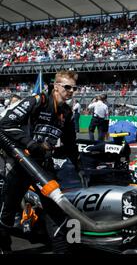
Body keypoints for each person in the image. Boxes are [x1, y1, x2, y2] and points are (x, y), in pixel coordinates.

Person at [0, 70, 79, 253]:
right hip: (20, 164)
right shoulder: (37, 100)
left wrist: (77, 166)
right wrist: (31, 144)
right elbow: (4, 125)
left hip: (42, 168)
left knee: (57, 211)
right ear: (56, 86)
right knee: (6, 213)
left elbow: (71, 144)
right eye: (67, 87)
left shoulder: (67, 113)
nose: (71, 91)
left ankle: (64, 251)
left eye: (74, 88)